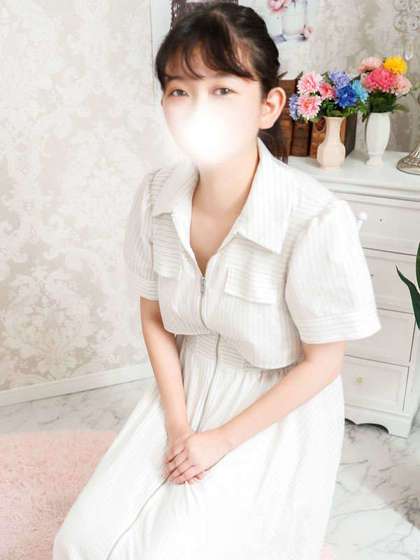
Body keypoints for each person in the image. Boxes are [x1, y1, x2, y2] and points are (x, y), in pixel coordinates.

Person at [53, 3, 382, 559]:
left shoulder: (315, 218)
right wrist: (178, 425)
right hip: (187, 387)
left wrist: (220, 441)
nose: (196, 108)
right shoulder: (155, 195)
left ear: (268, 105)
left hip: (275, 406)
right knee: (79, 543)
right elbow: (155, 318)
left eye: (223, 90)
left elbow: (323, 363)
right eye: (179, 91)